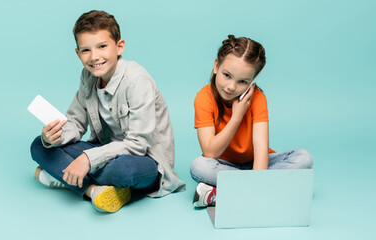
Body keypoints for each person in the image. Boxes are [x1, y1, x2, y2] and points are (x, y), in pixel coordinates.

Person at [29, 10, 185, 213]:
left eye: (102, 46)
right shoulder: (88, 76)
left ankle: (64, 176)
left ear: (119, 47)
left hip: (143, 161)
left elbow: (138, 145)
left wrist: (87, 159)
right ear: (78, 53)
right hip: (106, 152)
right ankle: (92, 191)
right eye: (86, 50)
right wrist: (53, 137)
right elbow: (75, 123)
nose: (94, 57)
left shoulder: (138, 81)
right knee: (39, 145)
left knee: (121, 170)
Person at [190, 35, 313, 207]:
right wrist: (237, 116)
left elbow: (261, 147)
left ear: (253, 81)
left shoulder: (258, 98)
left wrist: (258, 180)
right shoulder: (204, 98)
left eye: (242, 81)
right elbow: (210, 152)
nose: (231, 87)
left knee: (304, 158)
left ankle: (225, 191)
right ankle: (268, 189)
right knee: (199, 166)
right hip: (223, 164)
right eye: (227, 75)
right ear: (216, 66)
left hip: (258, 163)